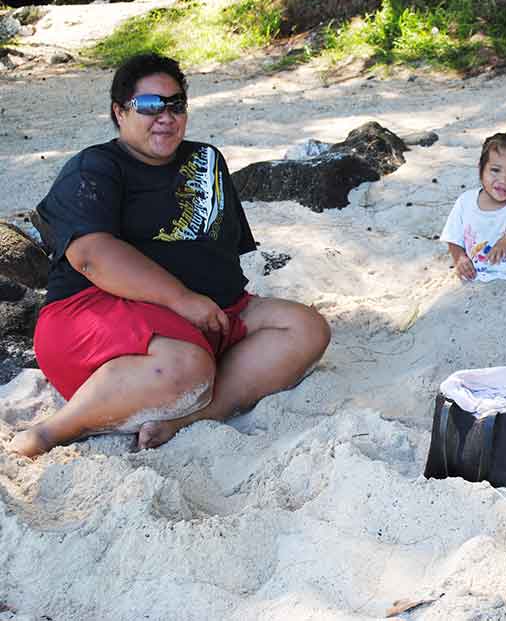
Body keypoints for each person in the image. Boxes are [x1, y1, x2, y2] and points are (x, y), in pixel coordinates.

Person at [10, 53, 331, 457]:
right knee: (186, 368)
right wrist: (182, 300)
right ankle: (56, 430)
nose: (165, 116)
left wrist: (208, 308)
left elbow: (222, 255)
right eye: (149, 105)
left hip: (208, 314)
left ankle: (192, 416)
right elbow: (92, 255)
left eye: (175, 104)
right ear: (119, 112)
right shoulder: (94, 168)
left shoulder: (207, 161)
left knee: (307, 328)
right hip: (97, 316)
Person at [440, 131, 506, 282]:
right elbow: (453, 237)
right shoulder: (465, 201)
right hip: (478, 268)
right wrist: (460, 258)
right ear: (481, 170)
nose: (503, 180)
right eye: (495, 170)